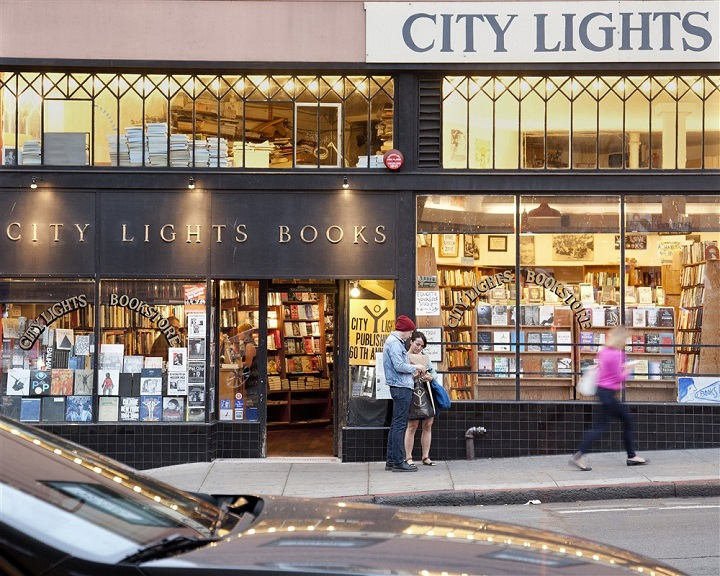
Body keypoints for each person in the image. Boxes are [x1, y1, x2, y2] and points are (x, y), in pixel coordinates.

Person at [569, 325, 647, 471]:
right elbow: (618, 377)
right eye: (626, 338)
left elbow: (603, 370)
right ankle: (579, 455)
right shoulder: (618, 354)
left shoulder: (604, 351)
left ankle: (631, 455)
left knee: (614, 423)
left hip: (602, 392)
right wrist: (628, 369)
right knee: (609, 425)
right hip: (609, 395)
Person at [383, 315, 428, 472]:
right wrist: (417, 367)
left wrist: (412, 372)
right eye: (410, 332)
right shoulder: (395, 343)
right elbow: (399, 366)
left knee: (396, 424)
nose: (410, 335)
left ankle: (391, 460)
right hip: (401, 388)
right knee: (399, 425)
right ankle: (398, 461)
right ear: (405, 330)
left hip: (400, 385)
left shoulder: (395, 342)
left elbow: (400, 367)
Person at [404, 330, 438, 466]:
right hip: (411, 392)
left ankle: (425, 456)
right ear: (411, 341)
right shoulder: (404, 357)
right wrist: (413, 375)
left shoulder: (425, 358)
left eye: (422, 346)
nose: (419, 348)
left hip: (426, 391)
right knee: (412, 425)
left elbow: (434, 373)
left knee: (428, 424)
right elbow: (400, 374)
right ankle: (408, 457)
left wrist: (430, 377)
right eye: (417, 344)